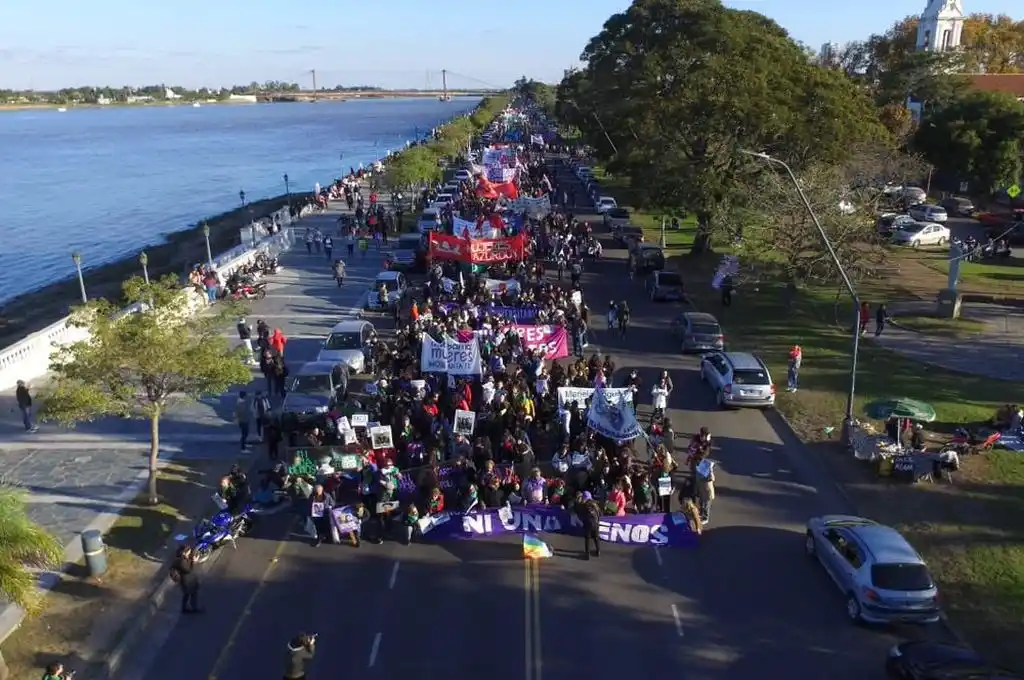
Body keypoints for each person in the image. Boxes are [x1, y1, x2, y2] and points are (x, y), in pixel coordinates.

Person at [169, 545, 201, 613]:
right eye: (188, 553)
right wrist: (194, 561)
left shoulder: (183, 559)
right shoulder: (181, 561)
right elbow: (189, 570)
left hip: (188, 580)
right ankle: (193, 608)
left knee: (187, 595)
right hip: (187, 581)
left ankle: (185, 608)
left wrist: (192, 559)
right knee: (192, 594)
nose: (189, 554)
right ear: (183, 552)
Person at [576, 491, 602, 559]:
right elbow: (600, 513)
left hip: (588, 523)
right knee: (596, 537)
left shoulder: (583, 505)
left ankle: (587, 554)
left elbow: (580, 514)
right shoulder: (595, 503)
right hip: (596, 523)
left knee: (587, 538)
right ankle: (598, 551)